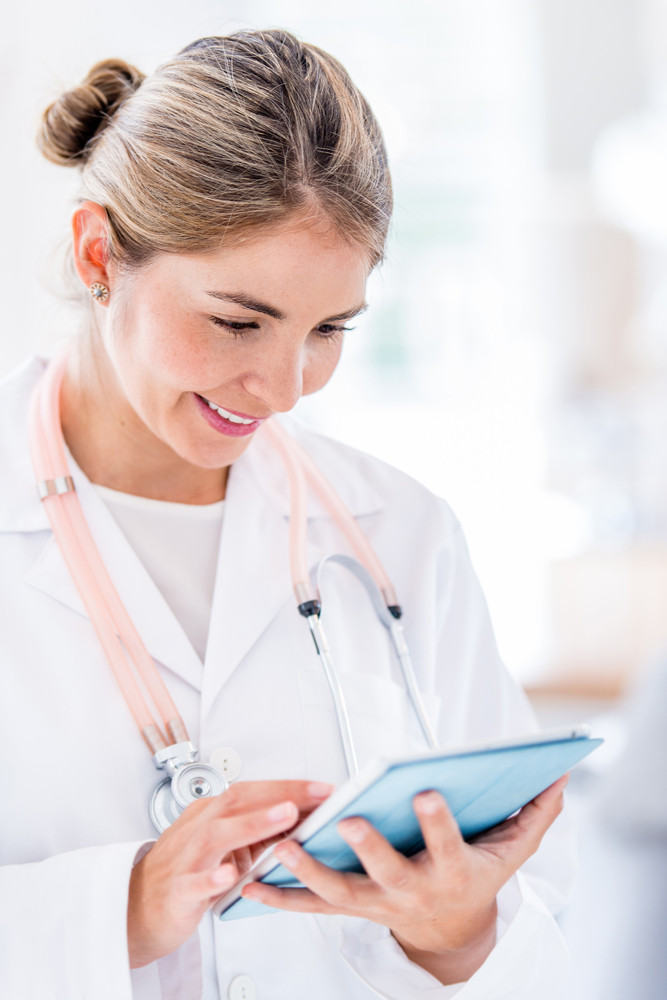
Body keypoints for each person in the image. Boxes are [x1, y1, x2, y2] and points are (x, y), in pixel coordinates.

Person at [0, 30, 573, 1000]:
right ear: (99, 252)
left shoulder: (398, 532)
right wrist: (119, 909)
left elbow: (546, 925)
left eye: (330, 330)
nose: (284, 385)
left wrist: (460, 936)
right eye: (236, 320)